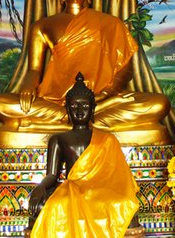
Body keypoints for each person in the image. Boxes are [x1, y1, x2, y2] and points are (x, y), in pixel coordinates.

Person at [0, 0, 170, 146]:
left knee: (159, 104)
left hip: (100, 101)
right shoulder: (43, 26)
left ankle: (71, 122)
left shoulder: (110, 23)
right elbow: (34, 70)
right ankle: (82, 121)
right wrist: (28, 87)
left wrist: (105, 96)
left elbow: (125, 70)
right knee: (0, 104)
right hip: (55, 102)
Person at [28, 73, 139, 238]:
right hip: (71, 189)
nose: (79, 111)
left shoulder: (107, 139)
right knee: (57, 204)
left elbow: (118, 175)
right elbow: (52, 175)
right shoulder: (58, 139)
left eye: (85, 106)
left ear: (93, 109)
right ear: (66, 109)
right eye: (74, 107)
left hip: (101, 188)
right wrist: (40, 187)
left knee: (122, 204)